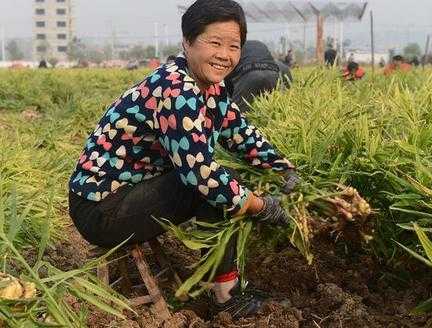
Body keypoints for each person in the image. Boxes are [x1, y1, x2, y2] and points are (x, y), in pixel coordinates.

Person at [67, 0, 301, 319]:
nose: (224, 54)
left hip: (130, 193)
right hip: (102, 209)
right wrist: (261, 206)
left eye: (234, 46)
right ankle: (226, 296)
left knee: (222, 185)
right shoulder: (175, 89)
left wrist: (283, 168)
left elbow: (241, 134)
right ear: (187, 42)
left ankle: (226, 285)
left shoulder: (212, 89)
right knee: (215, 188)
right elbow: (201, 175)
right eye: (214, 42)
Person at [225, 40, 292, 112]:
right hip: (272, 74)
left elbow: (227, 79)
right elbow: (286, 74)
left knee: (236, 113)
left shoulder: (235, 49)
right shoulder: (275, 61)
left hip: (248, 76)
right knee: (272, 111)